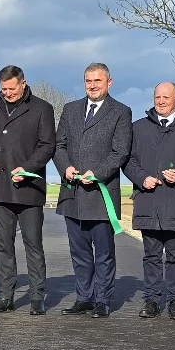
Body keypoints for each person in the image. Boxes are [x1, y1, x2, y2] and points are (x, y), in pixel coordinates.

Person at [52, 63, 132, 319]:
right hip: (73, 194)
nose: (92, 85)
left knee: (104, 253)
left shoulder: (121, 112)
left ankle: (102, 300)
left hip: (101, 194)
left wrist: (97, 173)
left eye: (98, 80)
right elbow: (59, 145)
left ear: (109, 82)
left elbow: (120, 151)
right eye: (88, 81)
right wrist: (65, 167)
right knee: (79, 252)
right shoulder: (70, 109)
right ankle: (84, 298)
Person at [123, 82, 175, 321]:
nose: (160, 101)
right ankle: (151, 300)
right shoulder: (138, 128)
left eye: (166, 97)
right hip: (147, 200)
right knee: (150, 255)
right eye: (157, 97)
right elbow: (128, 160)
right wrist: (141, 178)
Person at [0, 65, 56, 315]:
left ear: (23, 83)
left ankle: (37, 297)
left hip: (29, 188)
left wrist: (28, 167)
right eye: (3, 89)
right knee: (4, 245)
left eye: (11, 88)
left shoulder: (42, 108)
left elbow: (47, 145)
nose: (7, 93)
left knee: (33, 244)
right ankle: (6, 296)